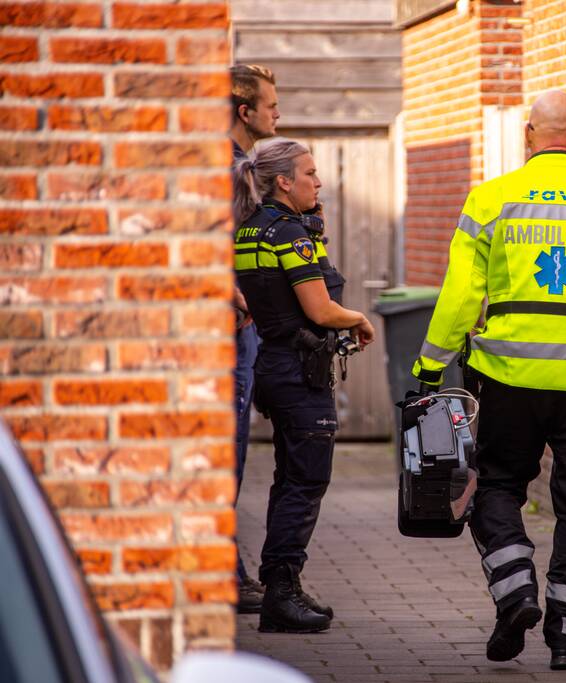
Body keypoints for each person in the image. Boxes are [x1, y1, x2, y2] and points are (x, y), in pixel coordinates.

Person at [410, 91, 566, 670]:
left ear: (529, 135)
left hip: (509, 375)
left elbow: (461, 295)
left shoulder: (490, 199)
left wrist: (430, 366)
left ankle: (516, 589)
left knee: (497, 487)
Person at [233, 138, 376, 633]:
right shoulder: (288, 233)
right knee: (307, 480)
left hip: (273, 364)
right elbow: (320, 308)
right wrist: (358, 318)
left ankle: (282, 585)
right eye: (310, 173)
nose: (318, 182)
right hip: (298, 371)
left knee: (289, 477)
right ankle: (281, 592)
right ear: (283, 181)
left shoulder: (252, 227)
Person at [228, 63, 280, 614]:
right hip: (230, 334)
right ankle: (226, 576)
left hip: (242, 333)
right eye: (270, 106)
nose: (277, 115)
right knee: (229, 454)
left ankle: (230, 572)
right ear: (245, 111)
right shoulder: (227, 170)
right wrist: (242, 299)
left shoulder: (241, 165)